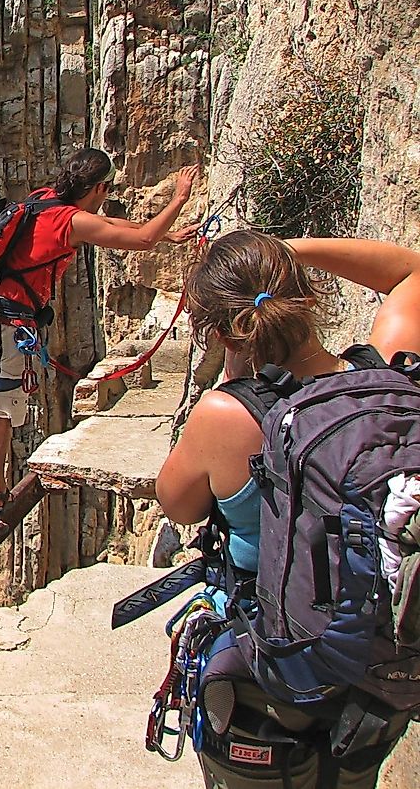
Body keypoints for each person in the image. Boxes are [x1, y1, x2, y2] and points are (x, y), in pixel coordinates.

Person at [156, 231, 420, 786]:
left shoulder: (226, 415)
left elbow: (176, 504)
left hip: (275, 668)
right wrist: (286, 249)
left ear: (224, 331)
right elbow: (409, 273)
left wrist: (233, 388)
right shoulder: (389, 375)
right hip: (380, 669)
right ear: (306, 295)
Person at [0, 148, 200, 543]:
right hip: (2, 327)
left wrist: (165, 232)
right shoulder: (71, 222)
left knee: (1, 407)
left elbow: (115, 225)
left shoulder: (46, 199)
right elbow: (140, 240)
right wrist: (179, 198)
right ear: (98, 187)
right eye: (106, 189)